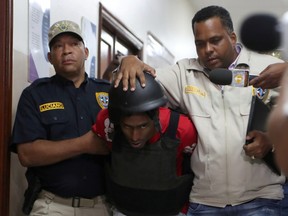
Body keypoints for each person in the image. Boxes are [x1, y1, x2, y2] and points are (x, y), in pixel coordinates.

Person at [114, 5, 287, 216]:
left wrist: (271, 140)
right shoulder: (184, 73)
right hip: (205, 203)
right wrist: (129, 60)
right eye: (200, 44)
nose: (208, 50)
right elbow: (144, 79)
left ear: (232, 38)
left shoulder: (269, 68)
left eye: (215, 40)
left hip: (261, 199)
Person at [10, 20, 111, 216]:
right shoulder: (35, 95)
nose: (66, 50)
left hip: (101, 206)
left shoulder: (107, 93)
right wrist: (85, 144)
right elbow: (27, 154)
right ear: (50, 57)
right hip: (52, 206)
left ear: (86, 52)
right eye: (58, 46)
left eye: (74, 44)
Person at [91, 72, 197, 216]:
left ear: (156, 117)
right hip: (122, 210)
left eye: (142, 126)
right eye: (127, 127)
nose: (135, 137)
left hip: (170, 211)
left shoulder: (182, 128)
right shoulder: (106, 122)